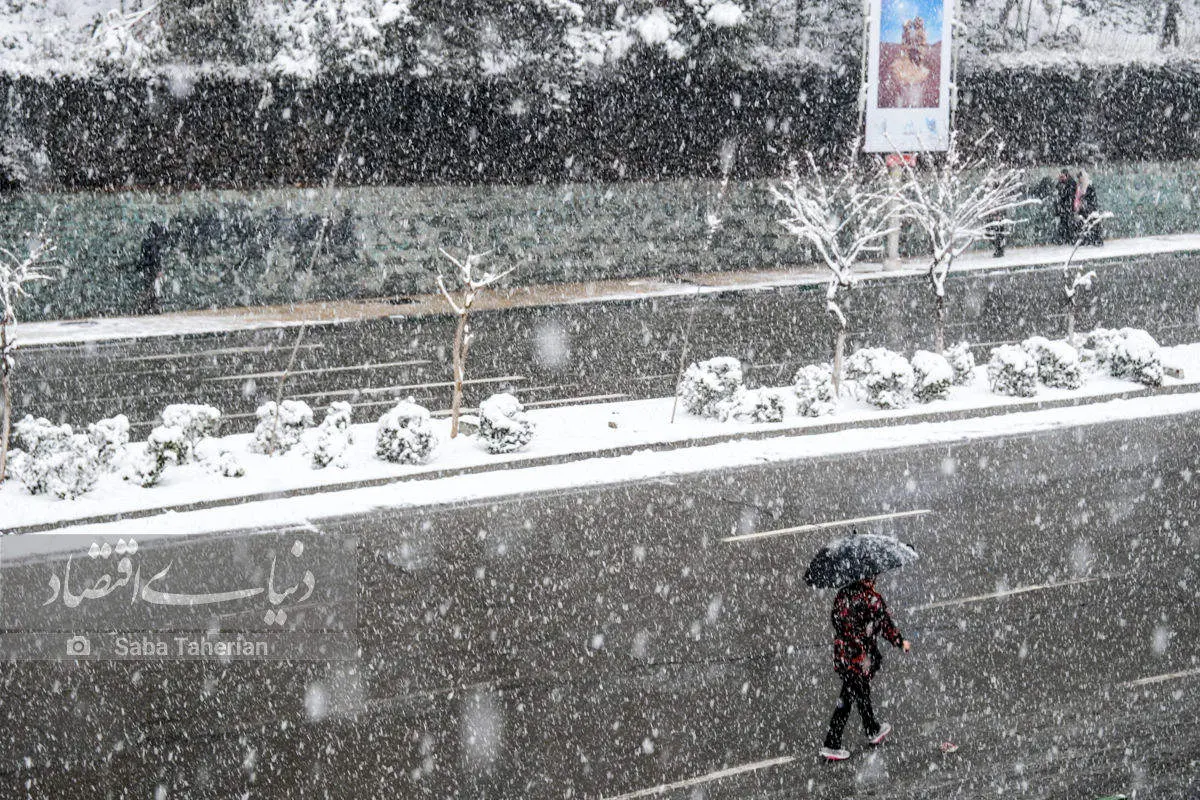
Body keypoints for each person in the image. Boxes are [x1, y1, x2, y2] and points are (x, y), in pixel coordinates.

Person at [820, 576, 911, 761]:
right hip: (860, 658)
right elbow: (886, 625)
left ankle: (872, 729)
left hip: (845, 655)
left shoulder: (842, 595)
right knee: (848, 698)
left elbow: (836, 621)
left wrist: (851, 636)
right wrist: (900, 642)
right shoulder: (872, 600)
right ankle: (832, 743)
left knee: (859, 691)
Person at [1076, 169, 1103, 246]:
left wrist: (1085, 203)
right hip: (1084, 210)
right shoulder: (1081, 186)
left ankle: (1095, 241)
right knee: (1086, 226)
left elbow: (1091, 199)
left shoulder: (1089, 186)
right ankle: (1087, 241)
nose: (1079, 179)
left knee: (1091, 226)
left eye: (1080, 177)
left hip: (1090, 210)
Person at [1055, 168, 1078, 245]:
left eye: (1063, 177)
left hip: (1069, 207)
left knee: (1070, 224)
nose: (1061, 178)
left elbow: (1069, 195)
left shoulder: (1071, 183)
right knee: (1063, 224)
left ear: (1067, 176)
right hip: (1063, 208)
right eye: (1060, 177)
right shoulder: (1060, 183)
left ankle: (1070, 239)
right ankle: (1064, 239)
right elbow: (1058, 193)